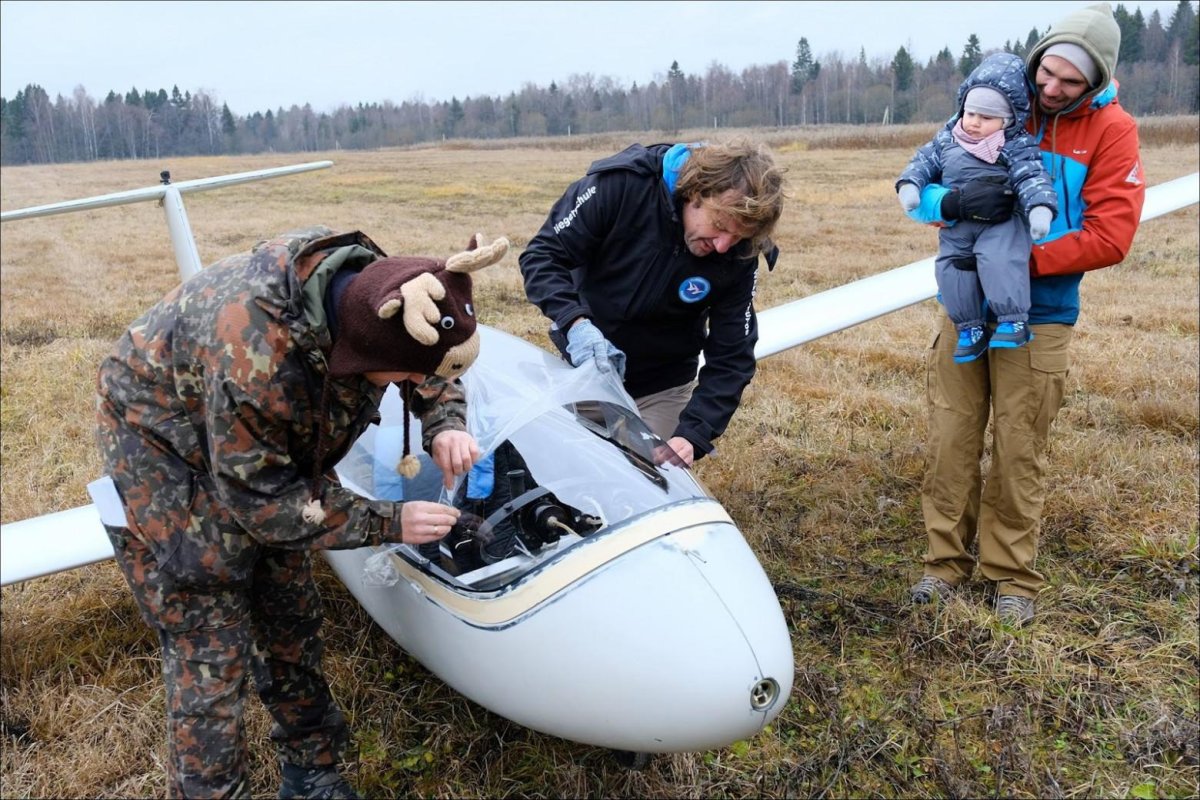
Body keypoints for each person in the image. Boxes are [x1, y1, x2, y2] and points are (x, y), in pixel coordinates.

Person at [95, 225, 508, 798]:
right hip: (165, 446)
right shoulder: (257, 363)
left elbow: (427, 360)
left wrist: (446, 424)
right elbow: (263, 502)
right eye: (406, 378)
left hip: (252, 435)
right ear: (364, 351)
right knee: (210, 638)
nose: (414, 384)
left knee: (290, 611)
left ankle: (313, 772)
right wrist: (389, 521)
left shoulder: (387, 292)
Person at [908, 2, 1145, 626]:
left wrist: (1014, 261)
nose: (1052, 89)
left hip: (1040, 316)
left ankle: (1010, 574)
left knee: (1019, 446)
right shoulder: (1001, 101)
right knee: (952, 436)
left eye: (1070, 82)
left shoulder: (1113, 131)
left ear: (1096, 81)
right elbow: (930, 178)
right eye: (1048, 73)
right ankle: (942, 564)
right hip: (964, 307)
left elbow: (1111, 236)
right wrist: (951, 200)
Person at [519, 137, 786, 467]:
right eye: (719, 227)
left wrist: (693, 434)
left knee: (638, 476)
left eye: (737, 237)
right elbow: (542, 257)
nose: (722, 246)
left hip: (664, 385)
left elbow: (732, 355)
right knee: (567, 468)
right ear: (695, 192)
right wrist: (577, 325)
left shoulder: (740, 254)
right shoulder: (622, 185)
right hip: (586, 368)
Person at [897, 52, 1059, 363]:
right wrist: (910, 187)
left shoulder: (1014, 145)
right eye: (970, 114)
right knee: (950, 269)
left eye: (985, 118)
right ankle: (968, 327)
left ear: (1006, 120)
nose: (974, 123)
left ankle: (1014, 319)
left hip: (1000, 224)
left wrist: (1040, 208)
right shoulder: (947, 140)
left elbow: (1032, 176)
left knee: (999, 261)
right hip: (958, 227)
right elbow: (921, 163)